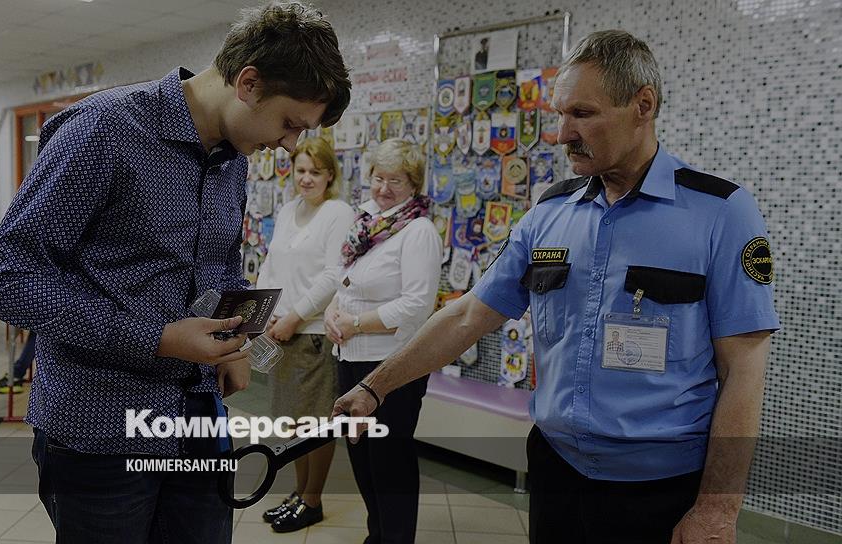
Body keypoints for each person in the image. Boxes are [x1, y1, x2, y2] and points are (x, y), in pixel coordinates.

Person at [334, 30, 779, 544]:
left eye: (582, 114)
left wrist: (718, 509)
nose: (563, 133)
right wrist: (375, 386)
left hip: (657, 488)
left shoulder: (720, 213)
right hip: (556, 471)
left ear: (643, 105)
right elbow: (468, 315)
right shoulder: (549, 213)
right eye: (560, 114)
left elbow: (743, 369)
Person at [0, 2, 351, 542]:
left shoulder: (232, 158)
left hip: (197, 419)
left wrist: (237, 339)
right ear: (248, 83)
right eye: (290, 124)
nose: (289, 144)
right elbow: (4, 277)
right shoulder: (104, 129)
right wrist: (157, 338)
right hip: (100, 424)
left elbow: (217, 266)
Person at [324, 138, 442, 544]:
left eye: (395, 180)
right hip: (349, 356)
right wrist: (332, 312)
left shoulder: (418, 231)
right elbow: (344, 280)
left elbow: (416, 306)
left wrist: (356, 323)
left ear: (414, 184)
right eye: (378, 178)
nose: (383, 188)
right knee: (361, 454)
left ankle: (395, 538)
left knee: (390, 461)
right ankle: (377, 535)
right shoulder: (365, 222)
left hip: (392, 365)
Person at [255, 137, 354, 532]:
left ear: (330, 175)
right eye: (300, 170)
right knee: (292, 422)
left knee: (316, 423)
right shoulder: (288, 210)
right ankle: (299, 494)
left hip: (311, 333)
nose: (307, 178)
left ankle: (312, 500)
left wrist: (294, 318)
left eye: (315, 172)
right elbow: (270, 264)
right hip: (280, 330)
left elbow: (333, 276)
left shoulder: (338, 213)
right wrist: (262, 313)